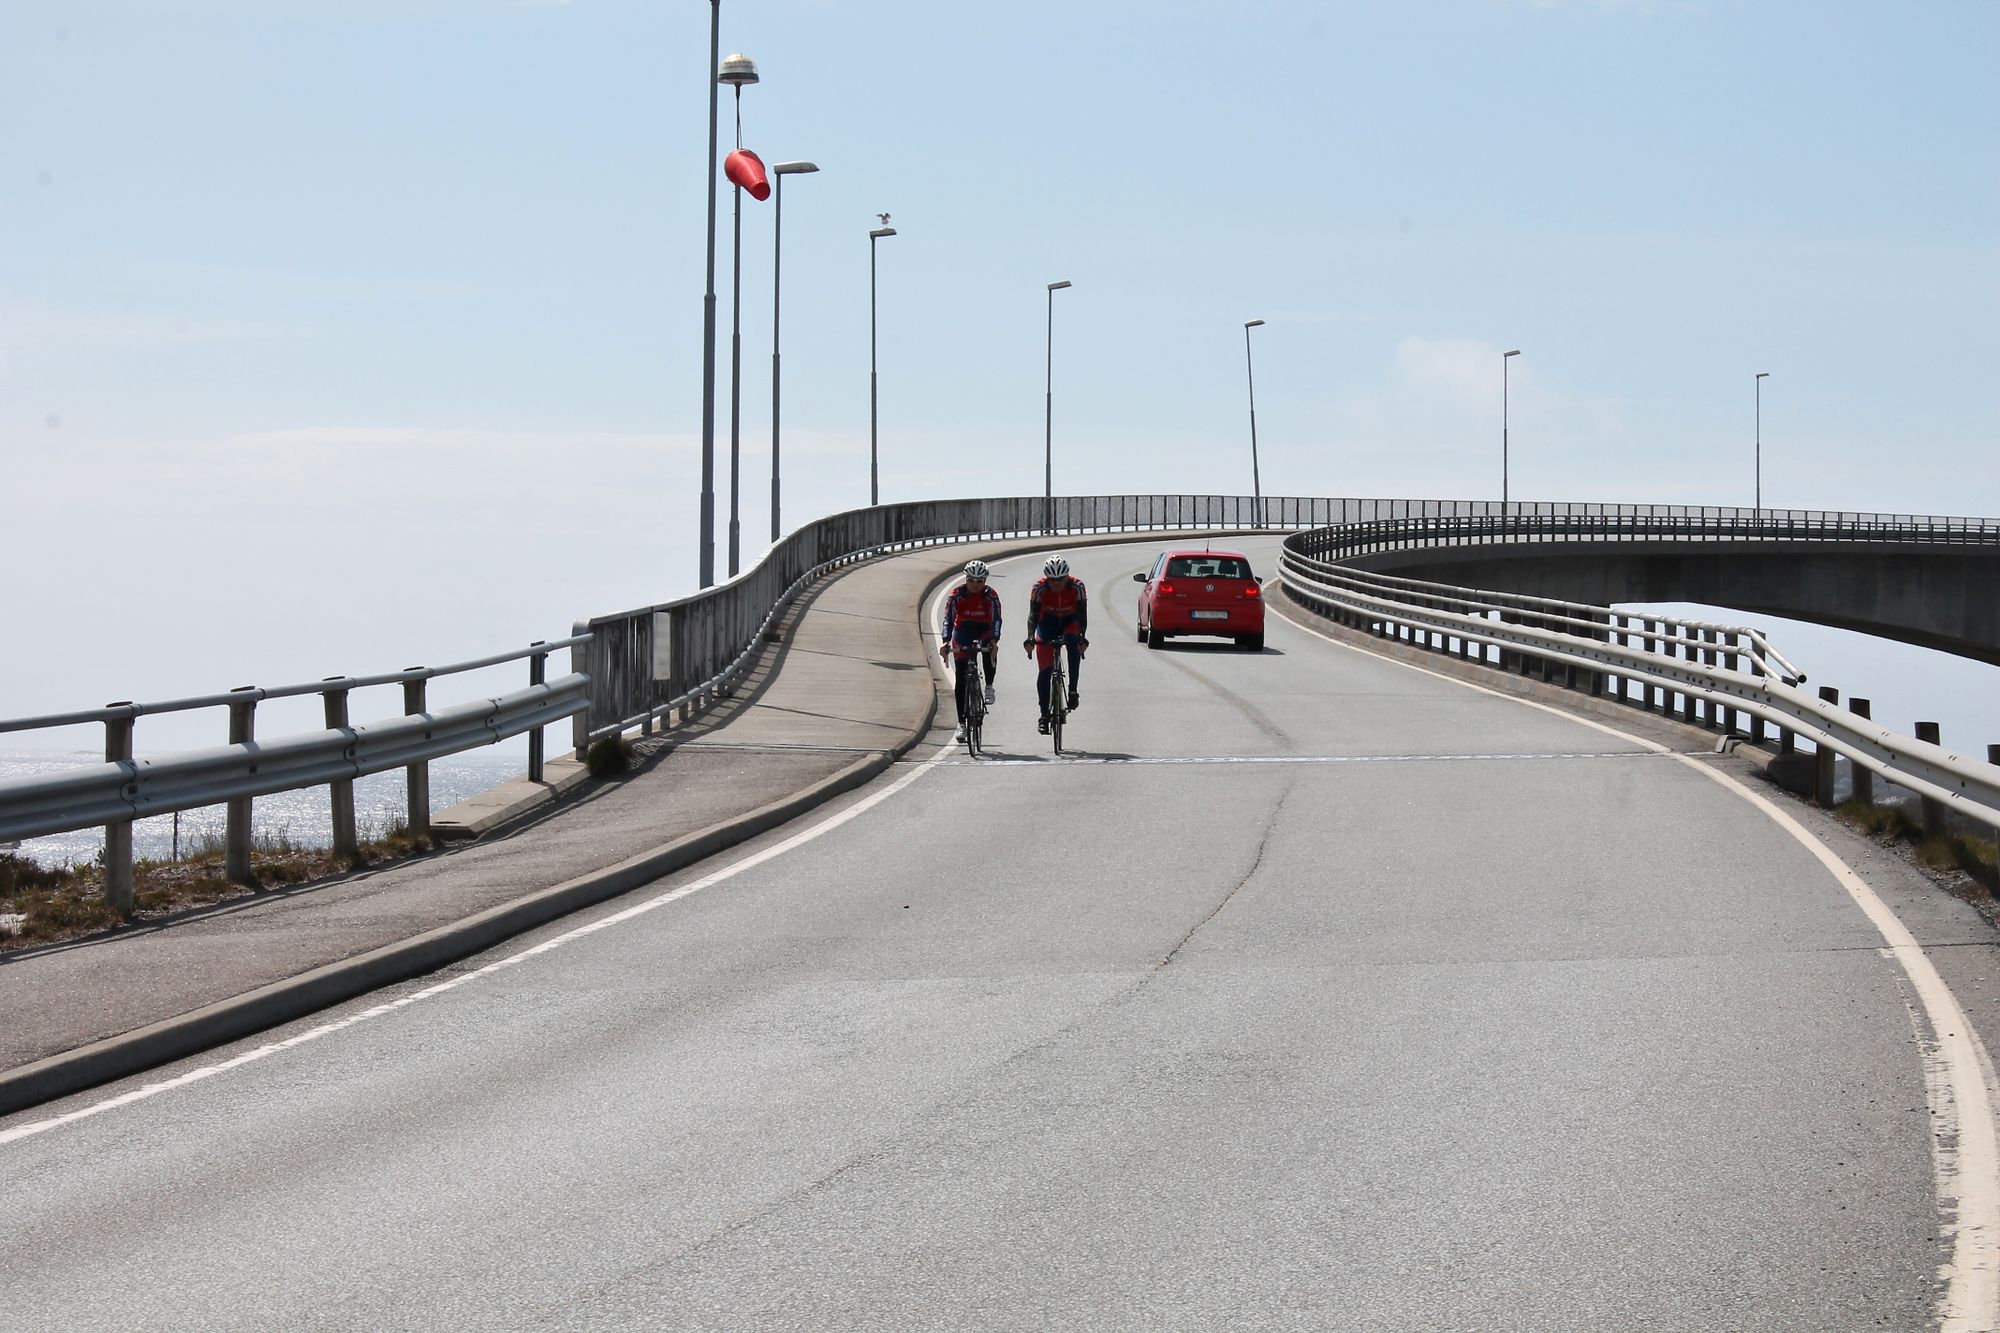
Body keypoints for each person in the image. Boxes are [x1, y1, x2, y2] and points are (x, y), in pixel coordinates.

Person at [1022, 554, 1088, 735]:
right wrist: (1030, 637)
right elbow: (1033, 615)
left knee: (1072, 643)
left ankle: (1073, 690)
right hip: (1047, 624)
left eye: (1061, 579)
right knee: (1045, 671)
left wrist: (1082, 636)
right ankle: (1044, 715)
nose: (1057, 584)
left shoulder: (1077, 586)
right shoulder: (1039, 588)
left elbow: (1082, 615)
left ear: (1067, 576)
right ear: (1047, 578)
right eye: (1053, 580)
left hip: (1069, 622)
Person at [939, 559, 1002, 740]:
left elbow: (997, 619)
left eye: (980, 581)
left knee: (989, 650)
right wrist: (945, 641)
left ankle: (989, 685)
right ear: (966, 579)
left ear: (985, 581)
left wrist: (994, 640)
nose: (975, 585)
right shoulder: (956, 595)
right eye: (971, 580)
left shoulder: (991, 595)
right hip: (963, 631)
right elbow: (948, 620)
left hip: (984, 629)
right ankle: (961, 724)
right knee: (961, 674)